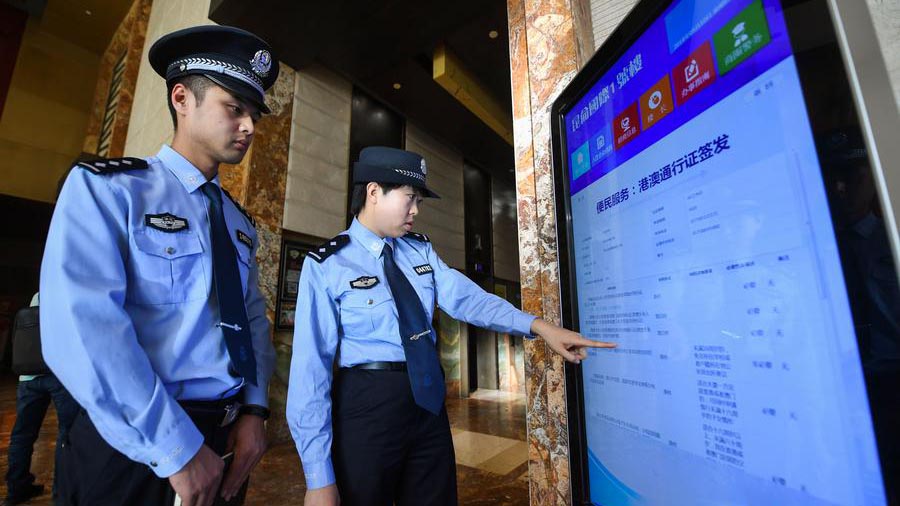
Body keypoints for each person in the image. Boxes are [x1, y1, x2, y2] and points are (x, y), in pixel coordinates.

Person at [287, 146, 616, 506]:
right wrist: (318, 478)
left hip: (427, 405)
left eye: (419, 202)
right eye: (410, 198)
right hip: (367, 408)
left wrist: (539, 326)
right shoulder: (328, 264)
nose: (416, 210)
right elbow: (310, 371)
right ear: (374, 191)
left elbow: (469, 299)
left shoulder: (420, 251)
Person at [39, 25, 278, 506]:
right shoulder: (111, 191)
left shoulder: (239, 224)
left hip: (225, 435)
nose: (249, 127)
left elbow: (252, 320)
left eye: (254, 115)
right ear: (182, 98)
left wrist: (254, 411)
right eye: (234, 108)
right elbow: (85, 330)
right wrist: (176, 448)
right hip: (136, 443)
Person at [2, 292, 78, 506]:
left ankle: (16, 489)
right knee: (68, 434)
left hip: (28, 376)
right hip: (57, 374)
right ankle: (64, 491)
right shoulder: (66, 289)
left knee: (22, 435)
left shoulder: (37, 295)